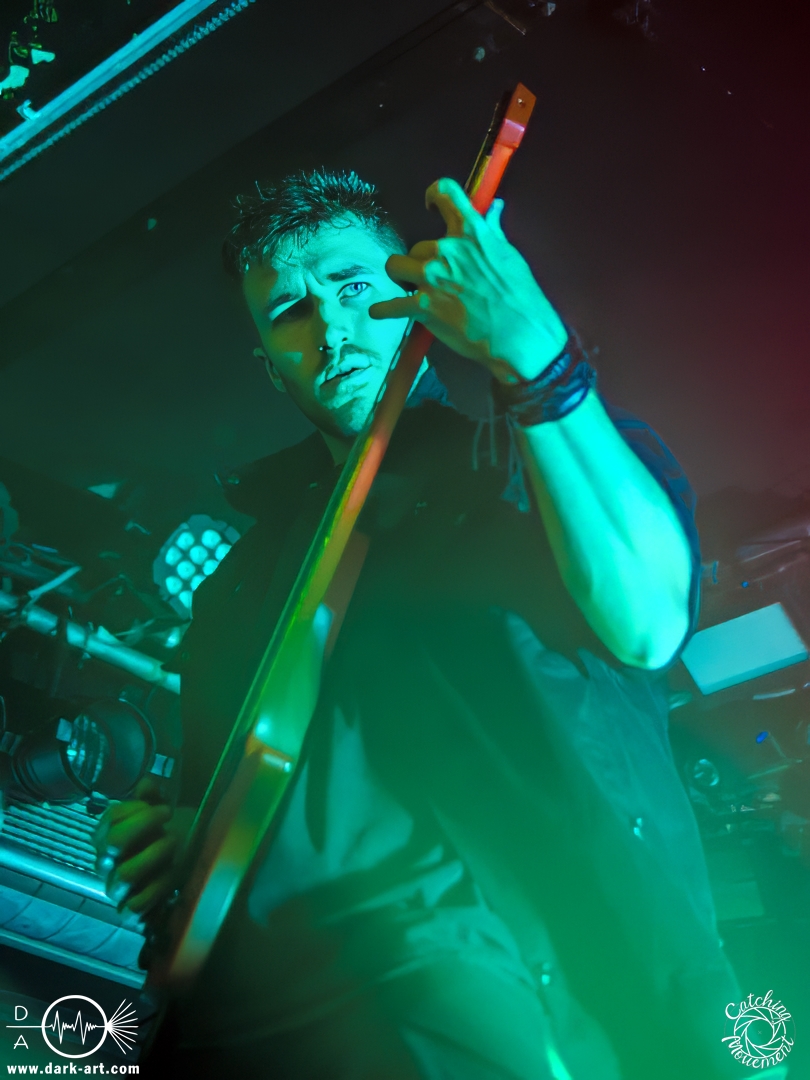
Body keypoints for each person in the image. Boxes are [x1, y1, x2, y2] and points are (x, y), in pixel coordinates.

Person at [95, 170, 742, 1079]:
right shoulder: (237, 587)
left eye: (353, 285)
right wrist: (189, 832)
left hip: (532, 1001)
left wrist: (533, 351)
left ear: (412, 295)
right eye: (290, 312)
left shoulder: (522, 464)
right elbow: (266, 799)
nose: (330, 329)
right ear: (269, 366)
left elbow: (648, 623)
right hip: (272, 1027)